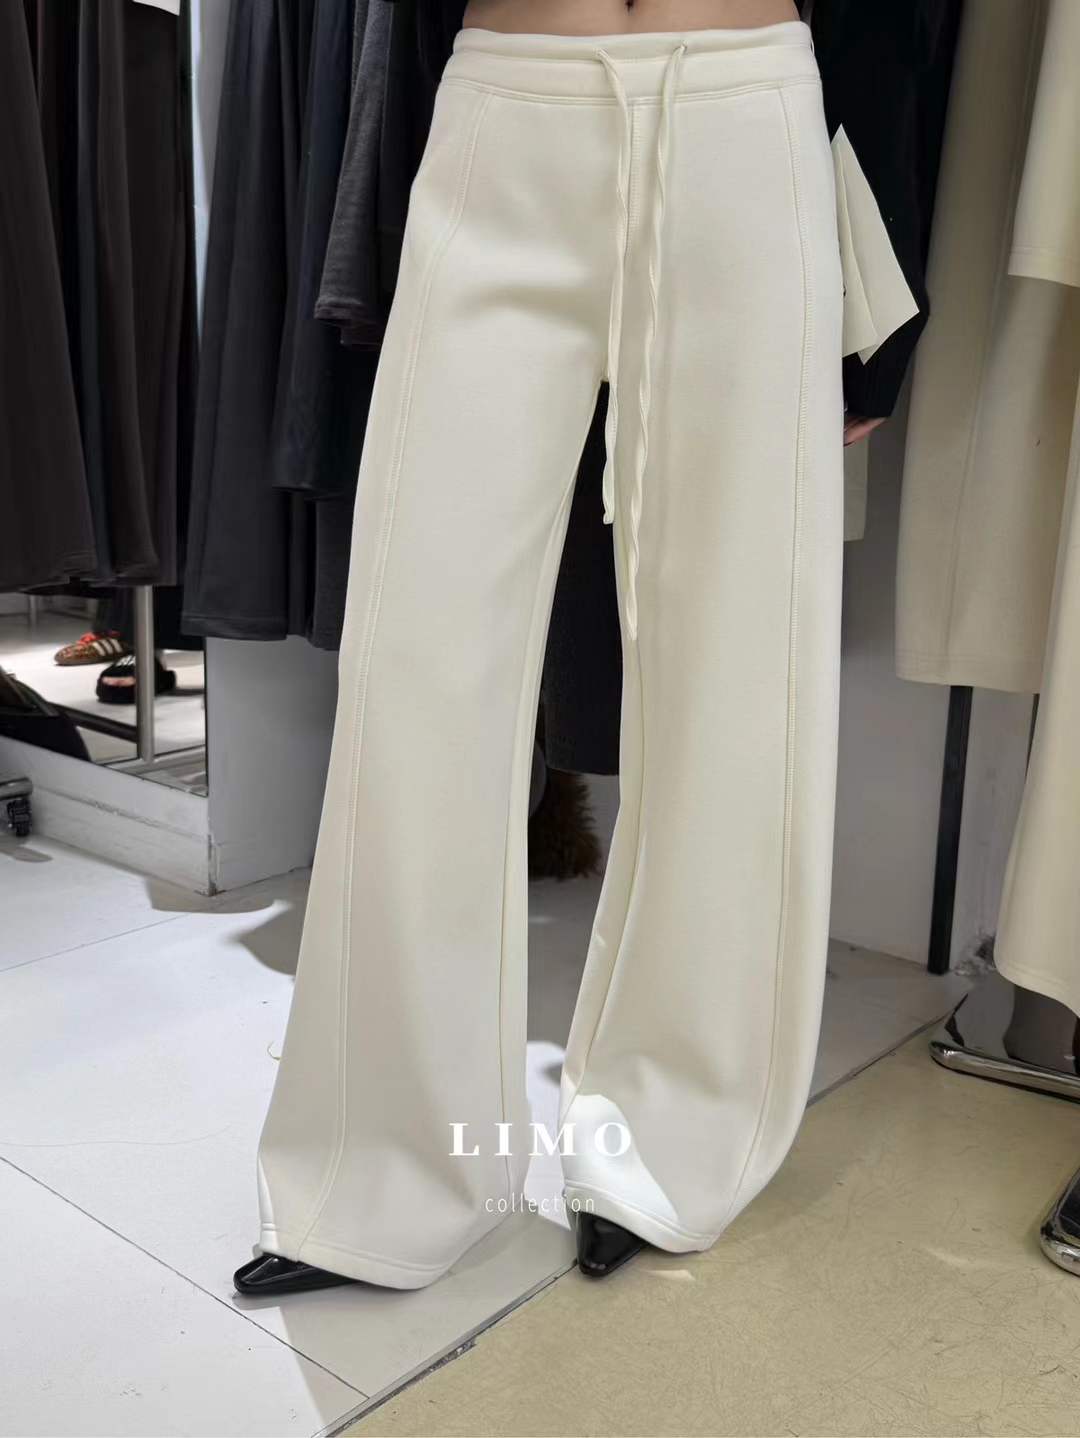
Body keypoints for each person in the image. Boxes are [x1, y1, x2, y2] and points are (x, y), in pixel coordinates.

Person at [235, 0, 879, 1296]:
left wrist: (883, 311)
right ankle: (392, 1163)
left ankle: (667, 1132)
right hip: (504, 108)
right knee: (418, 655)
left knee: (737, 668)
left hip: (746, 112)